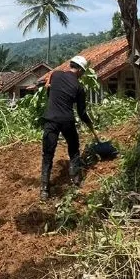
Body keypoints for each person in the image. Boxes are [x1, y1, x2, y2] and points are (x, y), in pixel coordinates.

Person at [40, 55, 94, 200]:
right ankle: (75, 180)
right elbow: (82, 113)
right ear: (80, 71)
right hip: (66, 120)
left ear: (70, 65)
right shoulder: (79, 87)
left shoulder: (56, 75)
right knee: (74, 149)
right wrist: (89, 123)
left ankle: (44, 189)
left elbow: (49, 89)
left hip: (50, 119)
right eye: (82, 72)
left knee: (48, 154)